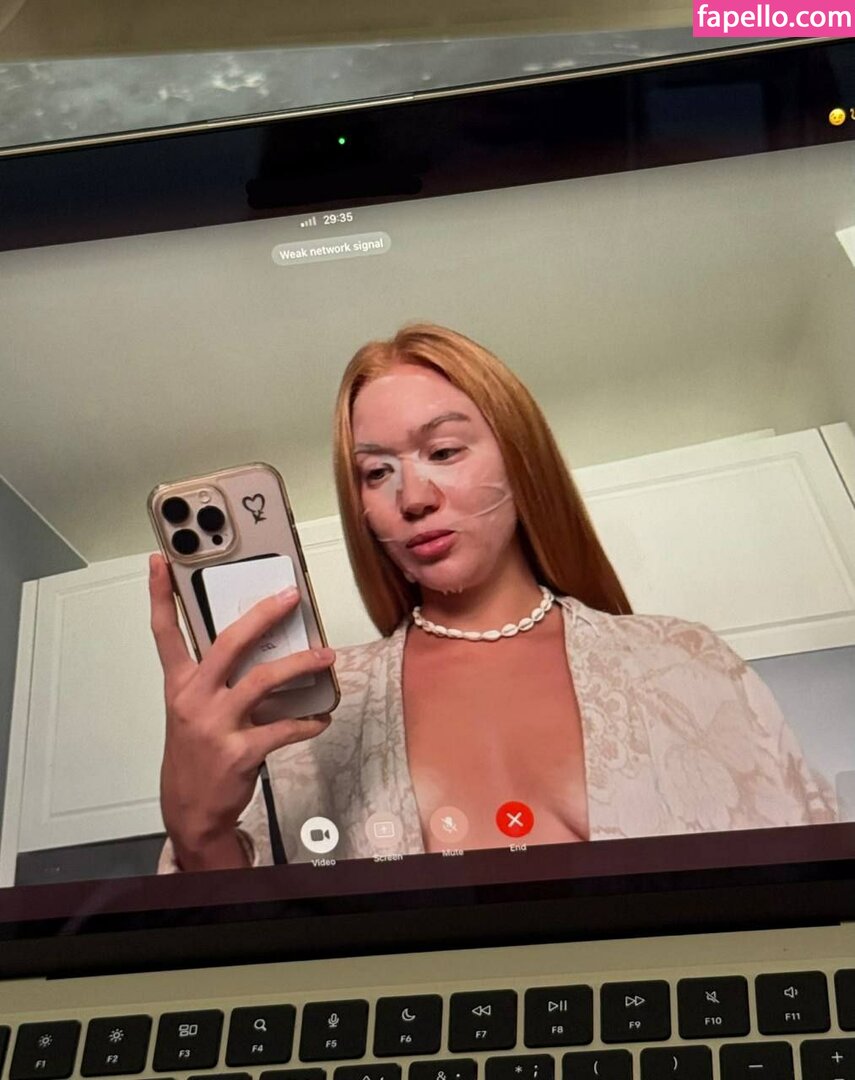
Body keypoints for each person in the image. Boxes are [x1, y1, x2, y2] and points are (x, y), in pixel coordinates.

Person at [154, 323, 836, 873]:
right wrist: (198, 835)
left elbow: (815, 882)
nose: (413, 498)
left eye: (444, 451)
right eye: (375, 473)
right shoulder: (309, 718)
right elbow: (263, 962)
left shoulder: (685, 660)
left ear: (519, 455)